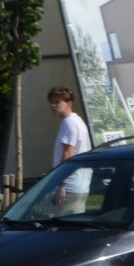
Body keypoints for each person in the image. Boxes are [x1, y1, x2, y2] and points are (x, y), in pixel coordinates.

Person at [48, 86, 92, 216]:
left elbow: (68, 154)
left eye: (57, 102)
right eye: (51, 102)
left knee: (56, 222)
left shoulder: (70, 123)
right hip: (78, 185)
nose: (53, 105)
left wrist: (61, 184)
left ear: (69, 103)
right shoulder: (75, 121)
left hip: (69, 187)